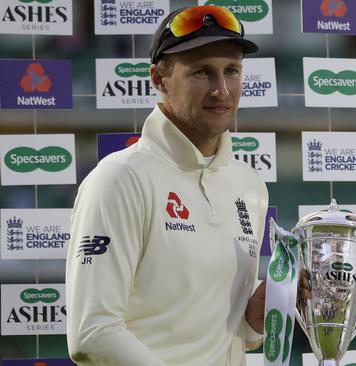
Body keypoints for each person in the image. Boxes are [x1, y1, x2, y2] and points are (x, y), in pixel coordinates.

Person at [66, 5, 268, 365]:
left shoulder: (249, 186)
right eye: (202, 73)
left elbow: (239, 333)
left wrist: (275, 299)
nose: (221, 90)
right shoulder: (119, 179)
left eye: (231, 71)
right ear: (159, 79)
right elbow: (92, 333)